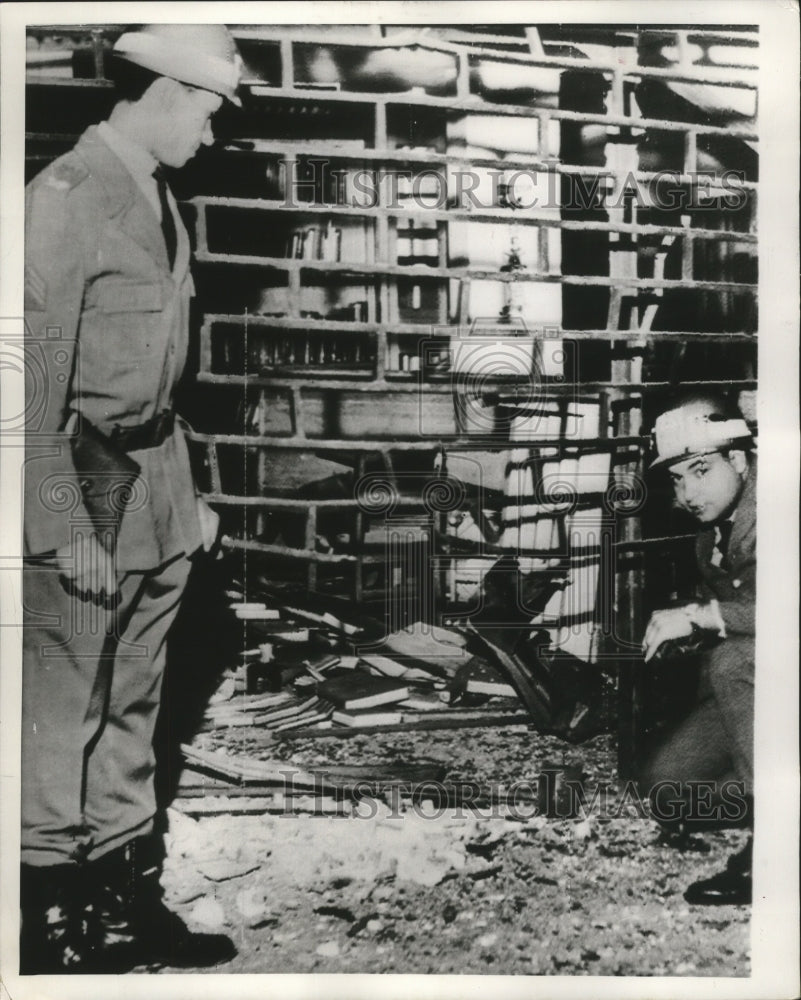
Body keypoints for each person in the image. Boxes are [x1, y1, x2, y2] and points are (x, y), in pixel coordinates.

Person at [21, 24, 242, 972]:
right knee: (62, 702)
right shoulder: (62, 201)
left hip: (152, 473)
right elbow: (25, 391)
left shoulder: (157, 196)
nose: (213, 131)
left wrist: (189, 498)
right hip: (81, 469)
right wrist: (66, 527)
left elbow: (162, 384)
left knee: (136, 697)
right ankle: (44, 918)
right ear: (159, 92)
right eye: (207, 107)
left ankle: (118, 899)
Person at [639, 392, 756, 906]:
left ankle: (775, 847)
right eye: (678, 478)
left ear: (739, 460)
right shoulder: (707, 538)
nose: (688, 491)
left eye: (701, 470)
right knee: (667, 788)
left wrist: (698, 617)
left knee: (734, 661)